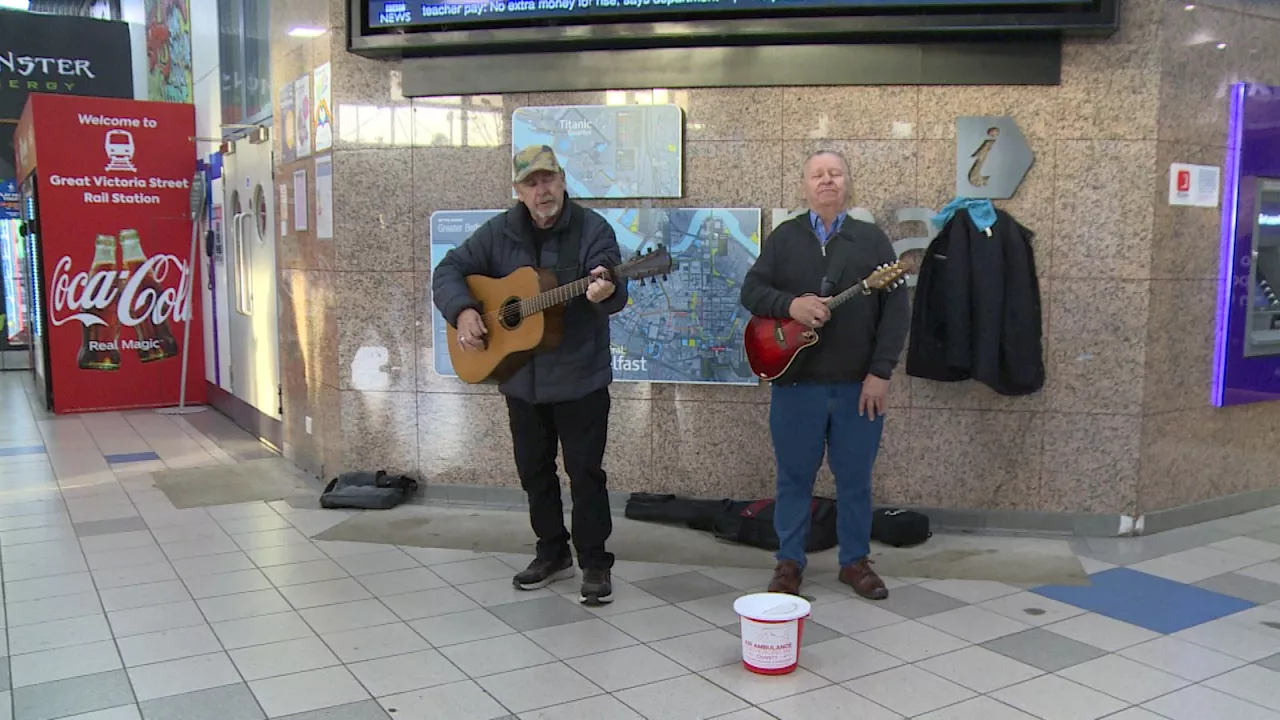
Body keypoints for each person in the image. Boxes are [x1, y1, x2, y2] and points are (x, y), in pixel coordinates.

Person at [431, 145, 628, 605]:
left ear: (563, 180)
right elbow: (449, 271)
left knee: (585, 474)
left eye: (549, 179)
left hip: (580, 376)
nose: (542, 191)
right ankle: (551, 551)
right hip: (521, 377)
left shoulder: (591, 229)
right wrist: (462, 312)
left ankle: (595, 562)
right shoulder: (500, 231)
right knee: (534, 472)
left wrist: (606, 288)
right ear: (518, 190)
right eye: (531, 183)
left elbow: (613, 281)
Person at [739, 149, 910, 600]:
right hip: (796, 386)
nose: (827, 181)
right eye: (818, 175)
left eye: (835, 173)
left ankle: (854, 561)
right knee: (793, 478)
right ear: (805, 186)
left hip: (858, 388)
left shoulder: (872, 241)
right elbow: (752, 290)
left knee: (855, 479)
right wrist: (789, 306)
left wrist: (881, 373)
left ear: (847, 183)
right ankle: (789, 562)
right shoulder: (784, 238)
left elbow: (896, 311)